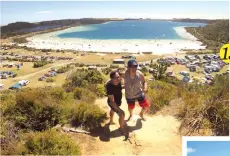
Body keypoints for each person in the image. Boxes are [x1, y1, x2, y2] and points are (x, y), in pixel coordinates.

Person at [105, 70, 127, 135]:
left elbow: (119, 87)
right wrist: (119, 110)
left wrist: (125, 86)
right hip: (112, 103)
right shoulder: (109, 86)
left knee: (112, 111)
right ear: (111, 79)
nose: (118, 79)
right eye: (115, 78)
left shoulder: (118, 81)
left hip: (117, 101)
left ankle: (111, 121)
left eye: (118, 77)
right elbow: (112, 101)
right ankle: (121, 128)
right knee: (122, 114)